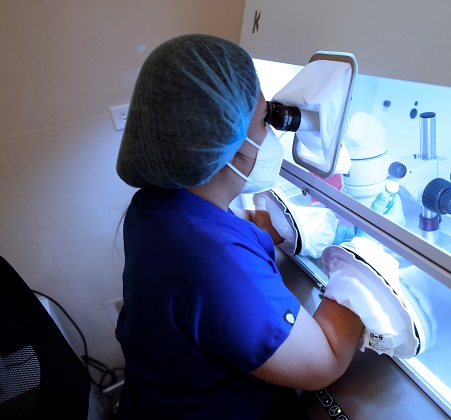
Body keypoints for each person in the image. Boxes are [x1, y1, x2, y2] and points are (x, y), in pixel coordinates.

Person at [114, 34, 365, 419]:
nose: (269, 133)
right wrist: (361, 271)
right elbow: (324, 362)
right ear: (226, 141)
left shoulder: (154, 204)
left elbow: (220, 231)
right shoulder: (213, 263)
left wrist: (279, 224)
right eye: (264, 118)